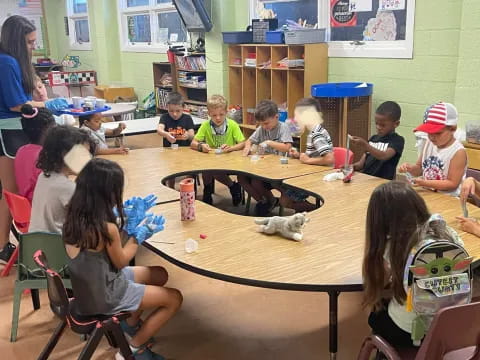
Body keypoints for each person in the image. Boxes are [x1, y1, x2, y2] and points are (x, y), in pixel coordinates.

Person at [63, 158, 182, 360]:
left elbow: (105, 252)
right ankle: (133, 349)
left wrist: (124, 226)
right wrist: (138, 235)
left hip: (89, 287)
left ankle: (131, 324)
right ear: (107, 193)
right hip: (105, 295)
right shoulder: (105, 227)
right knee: (174, 298)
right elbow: (120, 261)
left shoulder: (72, 217)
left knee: (158, 274)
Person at [0, 15, 69, 263]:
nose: (32, 48)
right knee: (11, 191)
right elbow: (18, 103)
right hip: (7, 130)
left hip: (13, 129)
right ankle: (4, 247)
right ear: (17, 41)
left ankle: (7, 245)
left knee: (11, 191)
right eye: (29, 43)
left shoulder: (8, 61)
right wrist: (46, 104)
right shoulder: (6, 62)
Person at [363, 181, 463, 348]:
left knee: (375, 315)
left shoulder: (393, 247)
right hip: (451, 325)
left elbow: (379, 284)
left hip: (412, 331)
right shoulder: (447, 233)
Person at [29, 126, 94, 233]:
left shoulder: (44, 176)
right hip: (59, 246)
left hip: (36, 244)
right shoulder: (67, 187)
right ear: (65, 154)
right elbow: (90, 219)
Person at [399, 102, 467, 197]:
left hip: (448, 198)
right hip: (427, 193)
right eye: (429, 133)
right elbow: (419, 169)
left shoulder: (458, 152)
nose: (432, 137)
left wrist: (425, 183)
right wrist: (409, 168)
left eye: (438, 133)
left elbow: (452, 184)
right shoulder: (428, 143)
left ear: (452, 129)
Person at [240, 100, 293, 216]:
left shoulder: (283, 128)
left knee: (256, 181)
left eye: (266, 123)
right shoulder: (262, 128)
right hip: (264, 167)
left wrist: (269, 142)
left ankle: (269, 201)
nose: (264, 126)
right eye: (261, 124)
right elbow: (249, 140)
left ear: (276, 117)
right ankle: (269, 201)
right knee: (244, 178)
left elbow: (287, 147)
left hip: (279, 170)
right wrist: (247, 147)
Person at [190, 95, 245, 206]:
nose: (218, 118)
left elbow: (243, 143)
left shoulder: (232, 125)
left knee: (212, 170)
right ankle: (208, 191)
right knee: (207, 168)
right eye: (214, 115)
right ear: (209, 114)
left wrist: (231, 148)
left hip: (230, 160)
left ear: (226, 112)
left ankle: (232, 186)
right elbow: (193, 143)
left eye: (221, 114)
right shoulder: (205, 125)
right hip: (213, 160)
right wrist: (201, 146)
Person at [281, 98, 334, 212]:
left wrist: (307, 161)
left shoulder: (316, 134)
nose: (295, 119)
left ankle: (317, 210)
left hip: (318, 177)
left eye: (297, 116)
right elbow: (316, 155)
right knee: (285, 192)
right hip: (313, 173)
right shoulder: (314, 131)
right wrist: (299, 155)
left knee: (284, 200)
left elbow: (329, 159)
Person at [350, 101, 404, 180]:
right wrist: (350, 167)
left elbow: (384, 156)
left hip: (383, 184)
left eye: (382, 125)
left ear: (396, 124)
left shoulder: (397, 140)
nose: (378, 127)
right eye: (376, 123)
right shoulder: (373, 138)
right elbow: (361, 165)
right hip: (367, 179)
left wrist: (365, 145)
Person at [14, 104, 55, 202]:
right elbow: (54, 185)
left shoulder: (21, 151)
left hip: (25, 208)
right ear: (46, 130)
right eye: (54, 128)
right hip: (40, 207)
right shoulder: (44, 155)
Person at [157, 92, 195, 189]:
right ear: (167, 108)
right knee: (171, 170)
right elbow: (159, 129)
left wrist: (187, 135)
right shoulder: (164, 117)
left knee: (189, 169)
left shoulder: (187, 118)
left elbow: (192, 134)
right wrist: (166, 134)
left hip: (185, 150)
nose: (174, 114)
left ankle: (188, 187)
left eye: (178, 111)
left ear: (183, 107)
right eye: (171, 111)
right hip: (169, 151)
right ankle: (171, 188)